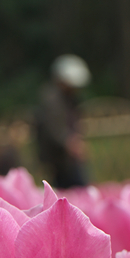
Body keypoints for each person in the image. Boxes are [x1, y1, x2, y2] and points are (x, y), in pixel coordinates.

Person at [33, 54, 91, 188]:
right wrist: (70, 142)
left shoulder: (69, 99)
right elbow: (53, 128)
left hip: (67, 159)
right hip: (59, 159)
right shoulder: (51, 99)